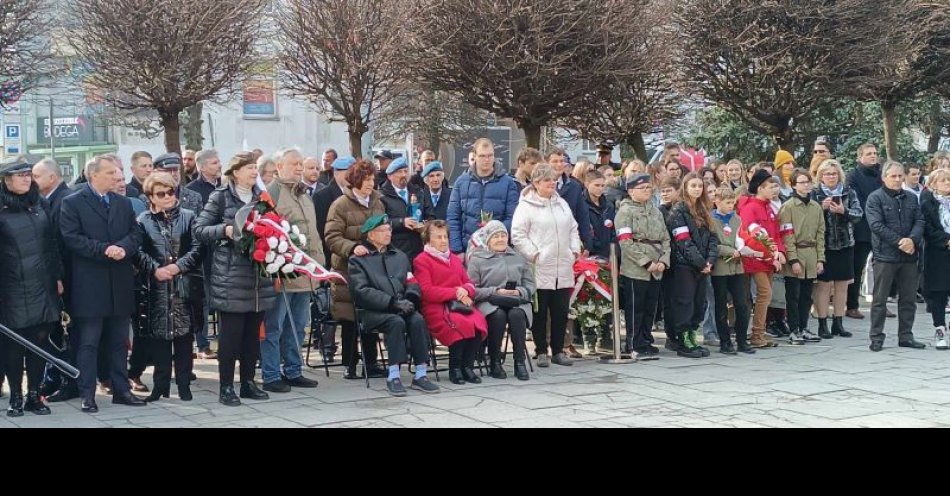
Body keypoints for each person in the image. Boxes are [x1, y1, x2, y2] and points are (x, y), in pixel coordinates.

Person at [59, 155, 146, 413]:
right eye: (110, 172)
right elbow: (71, 238)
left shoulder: (122, 202)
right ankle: (88, 393)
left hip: (118, 281)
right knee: (89, 342)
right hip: (90, 284)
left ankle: (121, 389)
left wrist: (123, 248)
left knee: (119, 341)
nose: (115, 177)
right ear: (93, 175)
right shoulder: (72, 202)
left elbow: (135, 233)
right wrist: (104, 249)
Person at [194, 152, 276, 406]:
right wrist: (225, 230)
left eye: (255, 167)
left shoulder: (261, 198)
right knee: (230, 337)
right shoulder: (219, 197)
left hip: (257, 277)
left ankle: (248, 383)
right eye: (250, 167)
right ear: (236, 171)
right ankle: (226, 386)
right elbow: (199, 229)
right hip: (230, 277)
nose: (254, 171)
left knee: (252, 336)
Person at [348, 215, 440, 397]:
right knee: (395, 322)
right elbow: (362, 291)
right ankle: (394, 375)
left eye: (389, 229)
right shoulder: (358, 260)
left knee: (417, 320)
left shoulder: (400, 256)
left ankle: (421, 373)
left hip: (401, 306)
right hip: (373, 311)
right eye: (382, 231)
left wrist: (411, 299)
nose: (388, 234)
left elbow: (411, 281)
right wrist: (392, 303)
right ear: (371, 235)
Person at [0, 157, 63, 416]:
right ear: (6, 180)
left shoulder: (41, 204)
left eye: (29, 174)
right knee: (13, 345)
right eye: (20, 175)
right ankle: (16, 395)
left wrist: (58, 277)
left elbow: (53, 244)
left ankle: (34, 395)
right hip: (11, 287)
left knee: (40, 342)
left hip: (42, 285)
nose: (27, 178)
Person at [134, 172, 202, 402]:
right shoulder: (143, 220)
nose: (167, 197)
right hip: (156, 287)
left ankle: (184, 385)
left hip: (183, 286)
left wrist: (178, 267)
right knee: (159, 338)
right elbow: (137, 251)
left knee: (184, 336)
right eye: (161, 193)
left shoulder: (189, 217)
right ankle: (160, 385)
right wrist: (155, 268)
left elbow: (198, 248)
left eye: (170, 192)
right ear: (151, 197)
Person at [261, 148, 323, 393]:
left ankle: (294, 370)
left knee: (298, 326)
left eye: (301, 164)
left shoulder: (305, 195)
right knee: (274, 326)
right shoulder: (272, 193)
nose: (299, 168)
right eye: (294, 163)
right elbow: (264, 232)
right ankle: (271, 374)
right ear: (279, 167)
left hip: (305, 273)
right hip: (282, 274)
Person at [511, 164, 581, 368]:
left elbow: (573, 229)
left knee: (560, 311)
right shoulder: (526, 206)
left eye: (553, 180)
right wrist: (535, 254)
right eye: (547, 180)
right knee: (540, 312)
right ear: (536, 183)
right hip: (540, 266)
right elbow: (518, 235)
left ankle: (558, 350)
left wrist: (574, 250)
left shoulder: (562, 204)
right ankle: (541, 350)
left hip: (563, 265)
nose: (552, 183)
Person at [324, 160, 386, 380]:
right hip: (348, 269)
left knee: (371, 313)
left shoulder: (378, 201)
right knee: (350, 318)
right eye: (366, 179)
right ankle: (350, 364)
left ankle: (371, 363)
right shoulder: (340, 204)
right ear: (355, 180)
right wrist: (352, 247)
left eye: (372, 179)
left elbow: (383, 229)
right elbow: (332, 237)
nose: (371, 184)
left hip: (373, 268)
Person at [414, 221, 488, 384]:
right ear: (428, 240)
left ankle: (467, 366)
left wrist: (466, 290)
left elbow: (469, 282)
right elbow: (426, 291)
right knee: (459, 323)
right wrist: (455, 292)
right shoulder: (422, 260)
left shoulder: (454, 259)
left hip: (461, 304)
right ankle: (455, 368)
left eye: (445, 236)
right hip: (436, 307)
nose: (443, 240)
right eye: (438, 237)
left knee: (478, 321)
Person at [866, 161, 926, 352]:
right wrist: (900, 241)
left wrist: (912, 240)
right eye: (893, 176)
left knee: (908, 299)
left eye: (900, 176)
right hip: (885, 256)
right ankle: (876, 337)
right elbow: (876, 225)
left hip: (909, 257)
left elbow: (920, 220)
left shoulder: (910, 197)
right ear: (884, 178)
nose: (898, 179)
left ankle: (906, 336)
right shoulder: (875, 198)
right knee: (880, 300)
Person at [467, 221, 534, 381]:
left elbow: (530, 284)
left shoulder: (518, 257)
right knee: (498, 316)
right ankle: (494, 362)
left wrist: (519, 291)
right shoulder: (477, 259)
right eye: (496, 236)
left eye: (503, 235)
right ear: (488, 240)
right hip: (489, 300)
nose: (500, 239)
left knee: (517, 315)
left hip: (516, 300)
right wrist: (495, 291)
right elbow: (471, 288)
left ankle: (519, 362)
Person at [615, 174, 670, 358]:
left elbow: (665, 238)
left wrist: (664, 260)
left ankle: (646, 339)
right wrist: (646, 262)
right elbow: (625, 241)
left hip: (657, 265)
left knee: (650, 307)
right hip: (636, 267)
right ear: (630, 191)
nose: (646, 191)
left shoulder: (655, 211)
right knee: (635, 307)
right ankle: (633, 343)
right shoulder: (625, 212)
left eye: (648, 188)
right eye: (642, 188)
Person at [665, 173, 719, 359]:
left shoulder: (704, 209)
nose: (697, 189)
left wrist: (710, 260)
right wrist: (700, 262)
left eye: (699, 186)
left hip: (703, 266)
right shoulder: (678, 210)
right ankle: (683, 340)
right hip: (684, 265)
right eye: (693, 185)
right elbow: (683, 241)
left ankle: (692, 336)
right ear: (685, 187)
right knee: (684, 303)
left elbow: (713, 237)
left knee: (699, 303)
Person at [812, 159, 861, 339]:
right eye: (827, 174)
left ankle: (838, 323)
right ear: (821, 176)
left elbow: (859, 215)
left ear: (839, 175)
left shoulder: (849, 192)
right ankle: (822, 323)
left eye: (833, 173)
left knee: (842, 285)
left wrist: (843, 211)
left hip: (845, 244)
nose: (831, 177)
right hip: (823, 245)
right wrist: (820, 208)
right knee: (823, 286)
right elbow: (808, 217)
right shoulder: (815, 194)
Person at [738, 169, 786, 349]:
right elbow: (752, 237)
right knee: (764, 294)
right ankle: (757, 334)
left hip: (768, 259)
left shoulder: (768, 207)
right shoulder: (750, 208)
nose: (774, 190)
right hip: (755, 259)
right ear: (759, 188)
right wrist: (771, 256)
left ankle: (759, 332)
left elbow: (776, 233)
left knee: (765, 296)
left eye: (775, 186)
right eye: (770, 187)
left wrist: (779, 251)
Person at [447, 138, 521, 254]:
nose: (487, 160)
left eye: (490, 155)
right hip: (468, 249)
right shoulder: (461, 182)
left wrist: (495, 232)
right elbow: (453, 218)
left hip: (497, 251)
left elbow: (512, 217)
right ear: (474, 156)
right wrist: (457, 250)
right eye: (482, 156)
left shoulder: (508, 183)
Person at [779, 169, 825, 345]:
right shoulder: (788, 207)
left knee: (807, 295)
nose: (806, 185)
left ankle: (804, 327)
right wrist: (793, 259)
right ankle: (793, 329)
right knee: (793, 295)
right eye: (801, 182)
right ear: (793, 185)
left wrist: (820, 258)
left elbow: (821, 234)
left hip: (811, 254)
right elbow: (787, 235)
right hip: (796, 254)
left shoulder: (816, 207)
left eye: (808, 182)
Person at [711, 187, 755, 355]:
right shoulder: (711, 220)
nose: (731, 206)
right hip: (720, 269)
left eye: (733, 203)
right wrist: (730, 251)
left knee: (742, 304)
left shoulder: (736, 218)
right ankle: (725, 342)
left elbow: (742, 237)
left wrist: (744, 248)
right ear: (717, 202)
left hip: (737, 267)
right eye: (728, 203)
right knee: (721, 305)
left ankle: (742, 340)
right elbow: (712, 243)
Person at [846, 143, 883, 320]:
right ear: (860, 157)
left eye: (875, 153)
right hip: (862, 227)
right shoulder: (853, 176)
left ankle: (880, 303)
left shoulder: (882, 174)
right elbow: (857, 201)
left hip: (882, 228)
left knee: (882, 268)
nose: (873, 156)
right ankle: (852, 305)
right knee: (857, 267)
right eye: (869, 154)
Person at [922, 169, 950, 349]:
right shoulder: (927, 202)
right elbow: (927, 228)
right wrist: (946, 240)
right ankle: (939, 329)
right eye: (944, 180)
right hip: (938, 253)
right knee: (939, 294)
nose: (948, 183)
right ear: (933, 184)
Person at [379, 157, 424, 261]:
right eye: (399, 172)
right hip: (396, 250)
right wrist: (401, 222)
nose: (404, 174)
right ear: (390, 176)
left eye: (406, 171)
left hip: (418, 248)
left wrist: (425, 225)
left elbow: (429, 214)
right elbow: (381, 222)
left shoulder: (418, 192)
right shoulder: (382, 196)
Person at [548, 148, 593, 250]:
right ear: (546, 163)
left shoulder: (575, 186)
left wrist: (586, 244)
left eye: (562, 161)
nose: (559, 164)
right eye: (555, 161)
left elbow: (582, 216)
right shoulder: (538, 186)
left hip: (568, 242)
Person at [585, 170, 615, 260]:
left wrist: (613, 247)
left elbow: (614, 229)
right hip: (591, 253)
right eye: (596, 185)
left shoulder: (609, 205)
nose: (600, 188)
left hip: (609, 252)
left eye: (602, 185)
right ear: (587, 184)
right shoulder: (581, 205)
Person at [32, 158, 70, 223]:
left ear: (51, 178)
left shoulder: (66, 202)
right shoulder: (45, 199)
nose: (32, 181)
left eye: (36, 176)